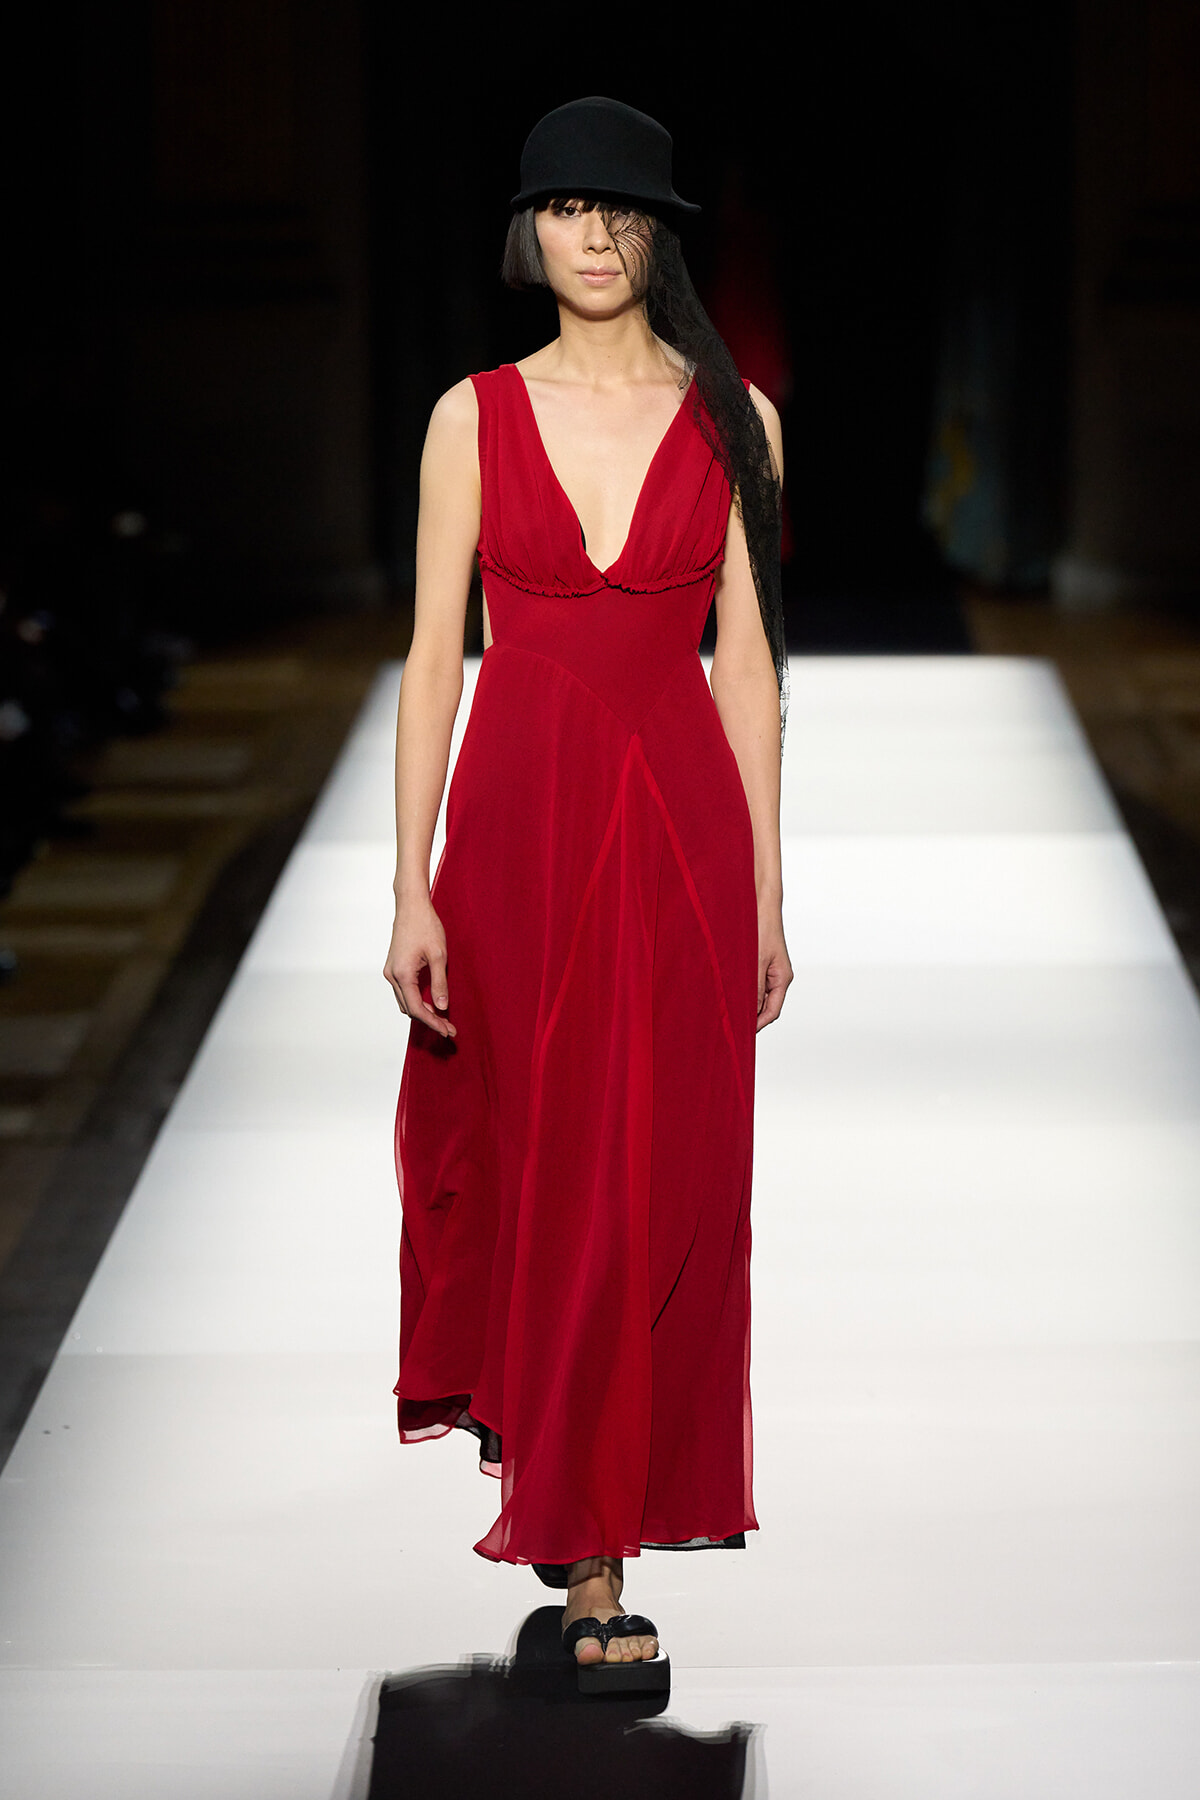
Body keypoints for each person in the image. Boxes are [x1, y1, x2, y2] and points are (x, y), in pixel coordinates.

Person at [383, 96, 793, 1685]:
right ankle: (572, 1498)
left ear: (661, 234)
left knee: (652, 1175)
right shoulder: (470, 418)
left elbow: (748, 669)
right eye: (567, 208)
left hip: (679, 833)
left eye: (623, 212)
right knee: (535, 1161)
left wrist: (766, 889)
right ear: (527, 230)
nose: (597, 236)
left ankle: (598, 1548)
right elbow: (435, 659)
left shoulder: (739, 421)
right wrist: (409, 886)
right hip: (516, 837)